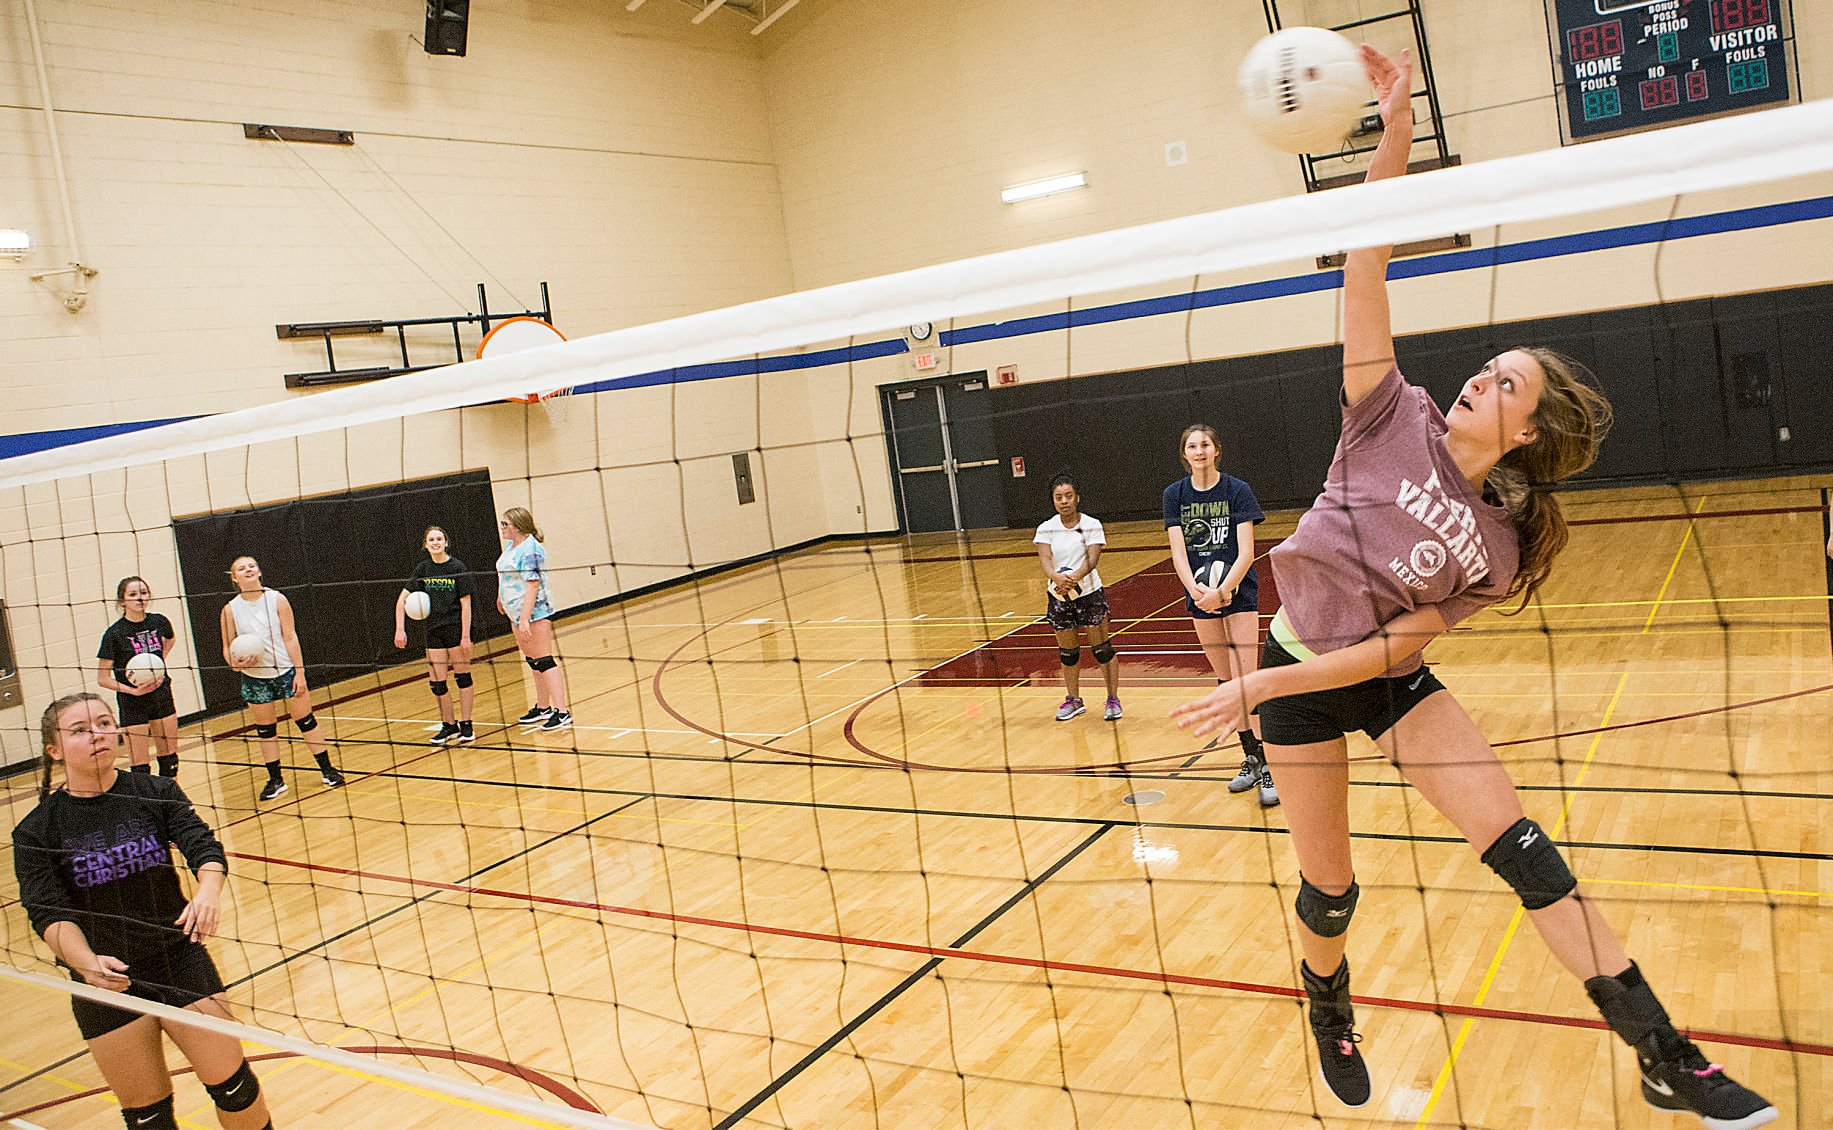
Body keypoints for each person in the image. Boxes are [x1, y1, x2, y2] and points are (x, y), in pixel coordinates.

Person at [1171, 45, 1775, 1128]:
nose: (1476, 378)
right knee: (1332, 892)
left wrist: (1250, 699)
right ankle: (1328, 998)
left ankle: (1663, 1052)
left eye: (1503, 381)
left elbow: (1403, 651)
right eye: (1486, 365)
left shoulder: (1500, 545)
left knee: (1527, 850)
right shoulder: (1385, 409)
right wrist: (1395, 133)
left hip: (1380, 677)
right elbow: (1367, 263)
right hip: (1298, 663)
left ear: (1525, 428)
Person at [13, 692, 278, 1129]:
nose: (96, 734)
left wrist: (208, 891)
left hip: (178, 958)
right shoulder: (36, 830)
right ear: (54, 751)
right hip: (103, 981)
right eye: (79, 730)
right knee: (147, 1117)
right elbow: (47, 912)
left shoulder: (155, 791)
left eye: (103, 723)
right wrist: (87, 965)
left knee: (236, 1089)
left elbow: (203, 846)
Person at [1163, 424, 1274, 805]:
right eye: (1191, 446)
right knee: (1226, 683)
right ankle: (1251, 759)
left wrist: (1224, 589)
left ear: (1216, 451)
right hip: (1200, 597)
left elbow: (1246, 551)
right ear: (1185, 454)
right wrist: (1197, 592)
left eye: (1204, 445)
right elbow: (1179, 552)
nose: (1198, 451)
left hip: (1237, 593)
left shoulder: (1236, 490)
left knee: (1247, 681)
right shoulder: (1174, 495)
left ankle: (1270, 765)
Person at [218, 556, 345, 801]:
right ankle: (276, 780)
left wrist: (300, 672)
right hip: (255, 677)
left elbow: (290, 637)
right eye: (242, 569)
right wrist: (235, 664)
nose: (248, 570)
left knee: (306, 721)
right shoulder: (230, 609)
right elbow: (227, 646)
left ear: (259, 571)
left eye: (252, 566)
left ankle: (328, 770)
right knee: (266, 730)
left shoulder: (276, 599)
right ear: (235, 577)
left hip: (285, 671)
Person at [1034, 474, 1121, 721]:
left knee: (1102, 649)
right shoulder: (1046, 528)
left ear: (1077, 498)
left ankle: (1112, 699)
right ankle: (1074, 700)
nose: (1064, 502)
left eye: (1068, 496)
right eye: (1058, 497)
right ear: (1053, 500)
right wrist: (1057, 578)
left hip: (1089, 595)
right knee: (1068, 653)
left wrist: (1073, 577)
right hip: (1059, 596)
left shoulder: (1092, 525)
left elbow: (1092, 560)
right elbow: (1045, 561)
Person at [392, 526, 476, 745]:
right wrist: (400, 629)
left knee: (462, 677)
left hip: (456, 629)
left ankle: (467, 725)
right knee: (437, 683)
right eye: (431, 539)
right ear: (426, 544)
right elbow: (401, 600)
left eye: (439, 539)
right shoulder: (423, 569)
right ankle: (449, 725)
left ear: (446, 542)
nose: (436, 542)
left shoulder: (457, 567)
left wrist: (466, 636)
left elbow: (466, 604)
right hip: (433, 630)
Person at [95, 577, 184, 778]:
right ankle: (147, 807)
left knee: (170, 760)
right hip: (132, 701)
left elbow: (170, 638)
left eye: (143, 593)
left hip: (161, 695)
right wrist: (133, 690)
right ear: (122, 601)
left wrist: (158, 665)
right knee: (140, 768)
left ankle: (172, 804)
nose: (140, 598)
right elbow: (103, 678)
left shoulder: (159, 621)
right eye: (133, 594)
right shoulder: (114, 634)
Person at [497, 507, 570, 731]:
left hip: (534, 612)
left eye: (505, 524)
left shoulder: (532, 550)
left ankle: (562, 711)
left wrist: (525, 618)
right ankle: (543, 706)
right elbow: (505, 574)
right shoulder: (511, 546)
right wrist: (500, 598)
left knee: (544, 659)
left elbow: (532, 584)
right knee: (533, 660)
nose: (502, 528)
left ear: (517, 526)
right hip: (515, 612)